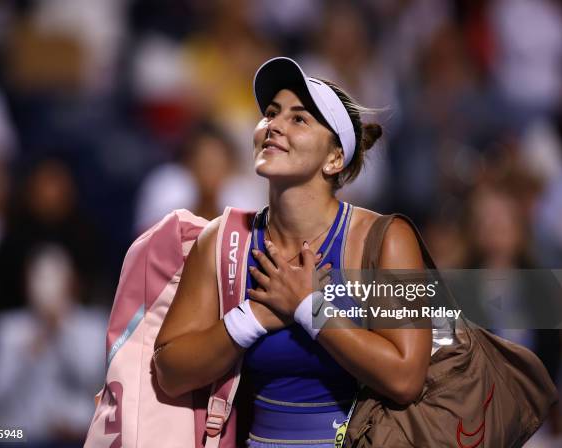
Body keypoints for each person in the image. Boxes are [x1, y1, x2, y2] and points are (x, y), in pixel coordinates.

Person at [154, 57, 432, 447]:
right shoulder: (222, 240)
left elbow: (405, 378)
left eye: (299, 119)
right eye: (270, 114)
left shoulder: (386, 240)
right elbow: (169, 370)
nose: (274, 126)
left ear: (334, 159)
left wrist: (308, 307)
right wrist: (254, 316)